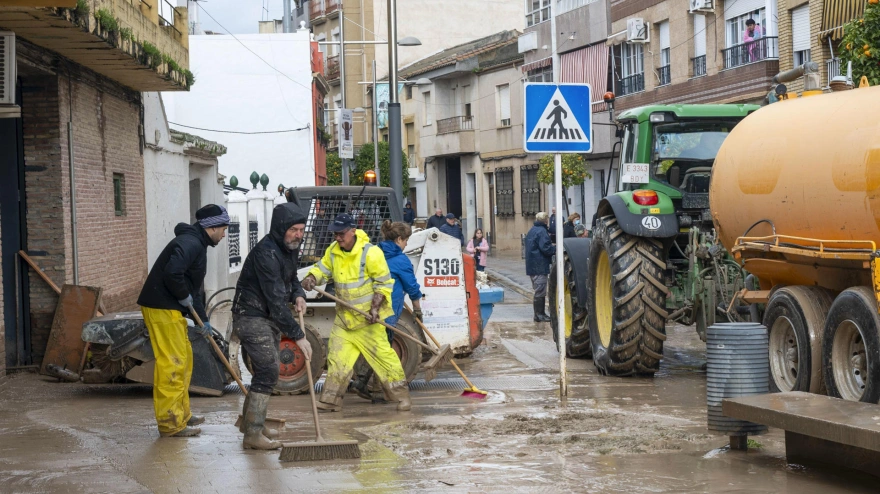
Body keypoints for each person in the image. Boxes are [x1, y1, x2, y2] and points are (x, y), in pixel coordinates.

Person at [301, 213, 412, 412]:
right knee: (337, 360)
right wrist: (312, 277)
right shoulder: (333, 251)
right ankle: (330, 401)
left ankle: (402, 397)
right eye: (335, 234)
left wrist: (375, 308)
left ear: (353, 231)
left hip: (368, 322)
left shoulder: (370, 253)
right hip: (345, 321)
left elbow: (384, 283)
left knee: (386, 361)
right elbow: (322, 269)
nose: (337, 237)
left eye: (341, 233)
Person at [137, 204, 229, 438]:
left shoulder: (198, 244)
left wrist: (203, 320)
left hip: (170, 308)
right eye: (224, 228)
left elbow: (193, 289)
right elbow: (173, 273)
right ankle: (170, 424)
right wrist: (181, 295)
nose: (225, 233)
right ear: (212, 227)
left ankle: (181, 414)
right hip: (162, 307)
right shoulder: (190, 243)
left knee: (184, 360)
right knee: (173, 363)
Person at [231, 202, 313, 450]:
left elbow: (292, 278)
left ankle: (251, 423)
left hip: (266, 317)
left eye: (301, 229)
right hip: (251, 315)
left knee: (265, 371)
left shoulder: (288, 249)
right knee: (268, 370)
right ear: (280, 228)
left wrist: (298, 294)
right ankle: (253, 434)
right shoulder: (266, 254)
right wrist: (299, 336)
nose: (298, 235)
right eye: (294, 230)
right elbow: (276, 302)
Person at [352, 220, 424, 402]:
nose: (406, 244)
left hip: (367, 308)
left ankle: (365, 384)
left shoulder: (372, 253)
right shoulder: (400, 260)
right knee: (383, 351)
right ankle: (379, 391)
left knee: (374, 348)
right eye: (406, 240)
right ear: (399, 239)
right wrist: (417, 309)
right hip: (387, 312)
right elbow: (413, 287)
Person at [525, 211, 555, 322]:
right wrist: (556, 249)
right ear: (546, 220)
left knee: (538, 290)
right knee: (540, 290)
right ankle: (539, 314)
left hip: (532, 265)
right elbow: (546, 248)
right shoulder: (542, 231)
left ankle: (539, 314)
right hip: (539, 265)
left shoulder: (532, 230)